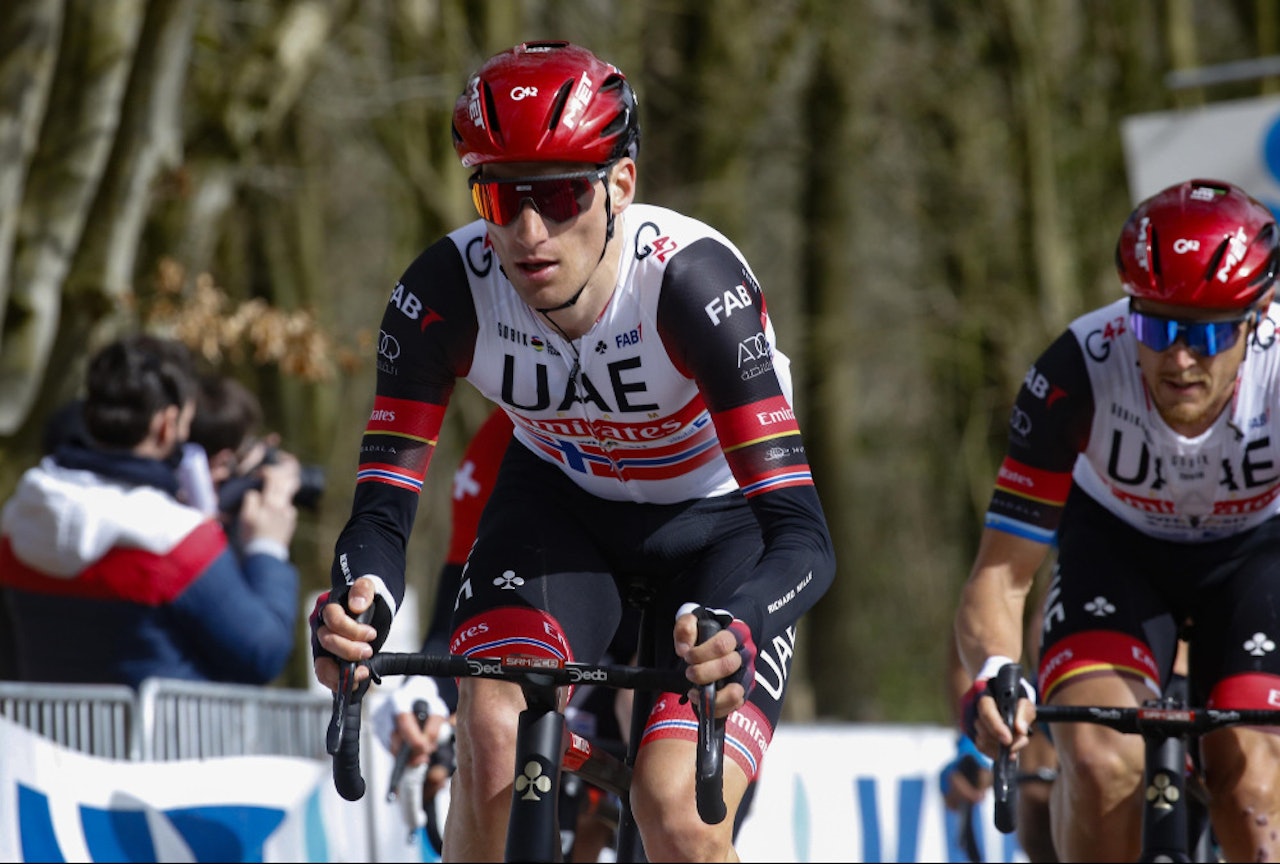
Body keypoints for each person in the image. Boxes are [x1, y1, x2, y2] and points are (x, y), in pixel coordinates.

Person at [310, 40, 836, 862]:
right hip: (561, 507)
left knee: (677, 813)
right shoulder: (443, 295)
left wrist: (746, 620)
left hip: (723, 528)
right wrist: (358, 599)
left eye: (557, 197)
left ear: (619, 184)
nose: (526, 233)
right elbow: (380, 510)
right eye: (498, 195)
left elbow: (804, 537)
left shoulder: (692, 288)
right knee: (490, 732)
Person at [955, 178, 1280, 862]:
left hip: (1258, 560)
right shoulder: (1077, 370)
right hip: (1118, 553)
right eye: (1156, 326)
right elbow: (1002, 573)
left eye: (1208, 332)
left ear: (1259, 314)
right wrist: (992, 672)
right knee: (1101, 761)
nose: (1178, 358)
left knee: (1253, 786)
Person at [0, 334, 301, 688]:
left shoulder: (21, 515)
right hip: (169, 742)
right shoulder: (177, 539)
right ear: (166, 425)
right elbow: (261, 653)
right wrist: (267, 548)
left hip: (37, 741)